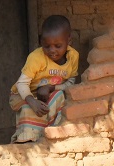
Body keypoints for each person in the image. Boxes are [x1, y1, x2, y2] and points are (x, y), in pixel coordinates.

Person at [9, 15, 78, 143]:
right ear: (41, 42)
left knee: (60, 97)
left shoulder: (73, 57)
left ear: (69, 41)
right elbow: (21, 83)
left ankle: (53, 134)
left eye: (58, 46)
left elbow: (71, 83)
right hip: (22, 95)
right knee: (28, 109)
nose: (52, 50)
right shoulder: (36, 58)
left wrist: (51, 87)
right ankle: (27, 140)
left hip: (48, 93)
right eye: (47, 46)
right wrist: (32, 101)